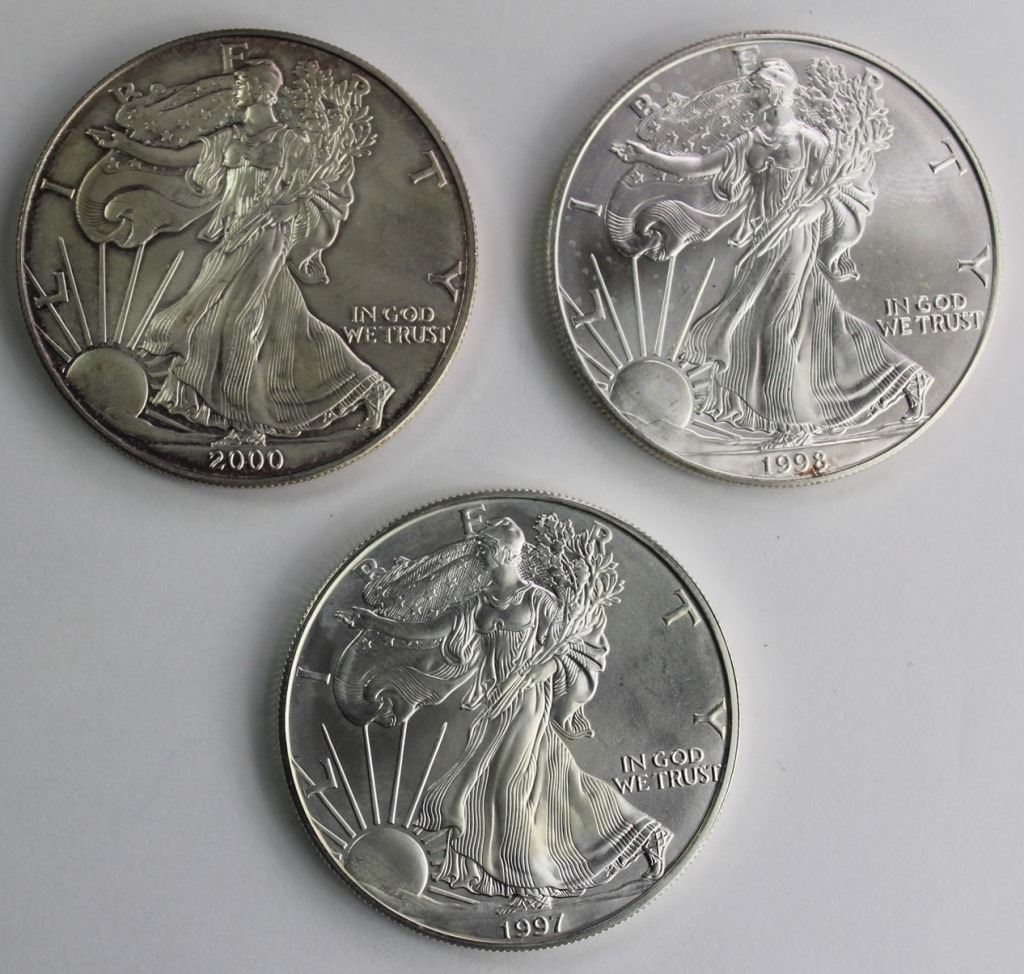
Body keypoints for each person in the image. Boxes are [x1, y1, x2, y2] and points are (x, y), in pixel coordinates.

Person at [340, 518, 671, 912]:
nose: (480, 555)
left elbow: (567, 648)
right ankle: (645, 833)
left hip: (528, 701)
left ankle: (534, 887)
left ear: (502, 553)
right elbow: (427, 631)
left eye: (485, 549)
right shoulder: (477, 603)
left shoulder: (538, 600)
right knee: (557, 783)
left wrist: (540, 669)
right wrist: (373, 622)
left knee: (505, 787)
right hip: (494, 704)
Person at [612, 58, 931, 447]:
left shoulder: (809, 141)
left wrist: (812, 209)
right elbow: (698, 166)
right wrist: (645, 156)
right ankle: (904, 377)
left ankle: (796, 425)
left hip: (796, 239)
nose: (752, 95)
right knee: (816, 322)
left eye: (759, 89)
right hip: (764, 241)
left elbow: (844, 188)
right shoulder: (752, 140)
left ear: (778, 92)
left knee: (775, 326)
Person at [87, 59, 392, 442]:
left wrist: (291, 208)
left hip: (266, 240)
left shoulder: (291, 143)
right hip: (233, 239)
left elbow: (323, 192)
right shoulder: (228, 138)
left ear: (263, 91)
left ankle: (248, 426)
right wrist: (125, 145)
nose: (237, 90)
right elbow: (178, 159)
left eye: (243, 84)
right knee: (288, 326)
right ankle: (370, 386)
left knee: (234, 324)